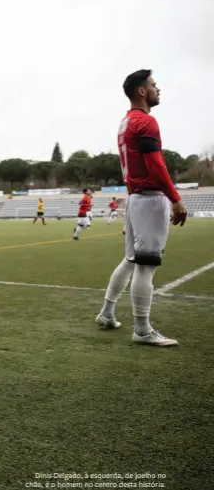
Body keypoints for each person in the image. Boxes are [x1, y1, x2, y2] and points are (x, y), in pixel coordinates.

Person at [95, 69, 187, 346]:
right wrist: (175, 198)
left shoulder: (125, 122)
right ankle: (142, 330)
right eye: (154, 85)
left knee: (131, 260)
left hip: (136, 197)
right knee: (145, 267)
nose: (158, 89)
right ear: (142, 91)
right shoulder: (146, 122)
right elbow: (155, 165)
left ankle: (107, 313)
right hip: (149, 198)